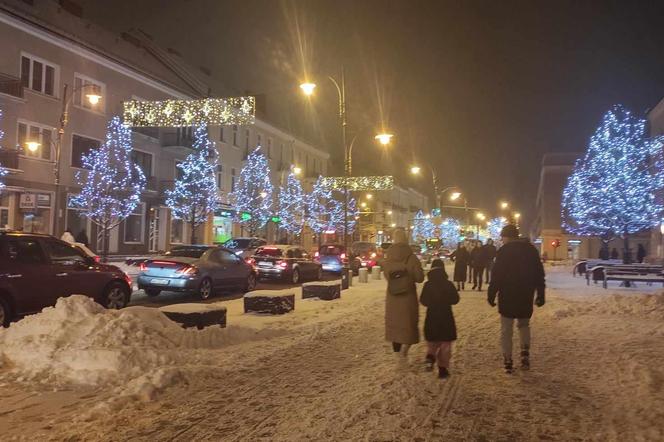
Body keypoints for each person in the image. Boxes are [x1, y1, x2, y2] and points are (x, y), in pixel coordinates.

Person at [488, 225, 545, 373]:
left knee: (506, 329)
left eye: (503, 237)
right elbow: (539, 274)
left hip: (507, 293)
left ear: (507, 236)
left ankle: (508, 359)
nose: (502, 239)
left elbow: (497, 274)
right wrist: (540, 293)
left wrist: (492, 293)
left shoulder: (503, 251)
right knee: (524, 325)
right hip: (525, 293)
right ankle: (525, 353)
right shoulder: (531, 250)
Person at [382, 228, 425, 359]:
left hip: (393, 296)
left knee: (395, 324)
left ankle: (397, 355)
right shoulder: (411, 257)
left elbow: (387, 275)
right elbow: (419, 278)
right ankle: (404, 352)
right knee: (408, 324)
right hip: (408, 296)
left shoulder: (388, 258)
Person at [420, 259, 459, 379]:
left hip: (432, 316)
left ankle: (430, 357)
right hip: (446, 316)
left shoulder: (428, 284)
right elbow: (455, 299)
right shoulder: (448, 284)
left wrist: (432, 302)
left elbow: (423, 301)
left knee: (432, 341)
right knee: (445, 344)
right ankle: (442, 368)